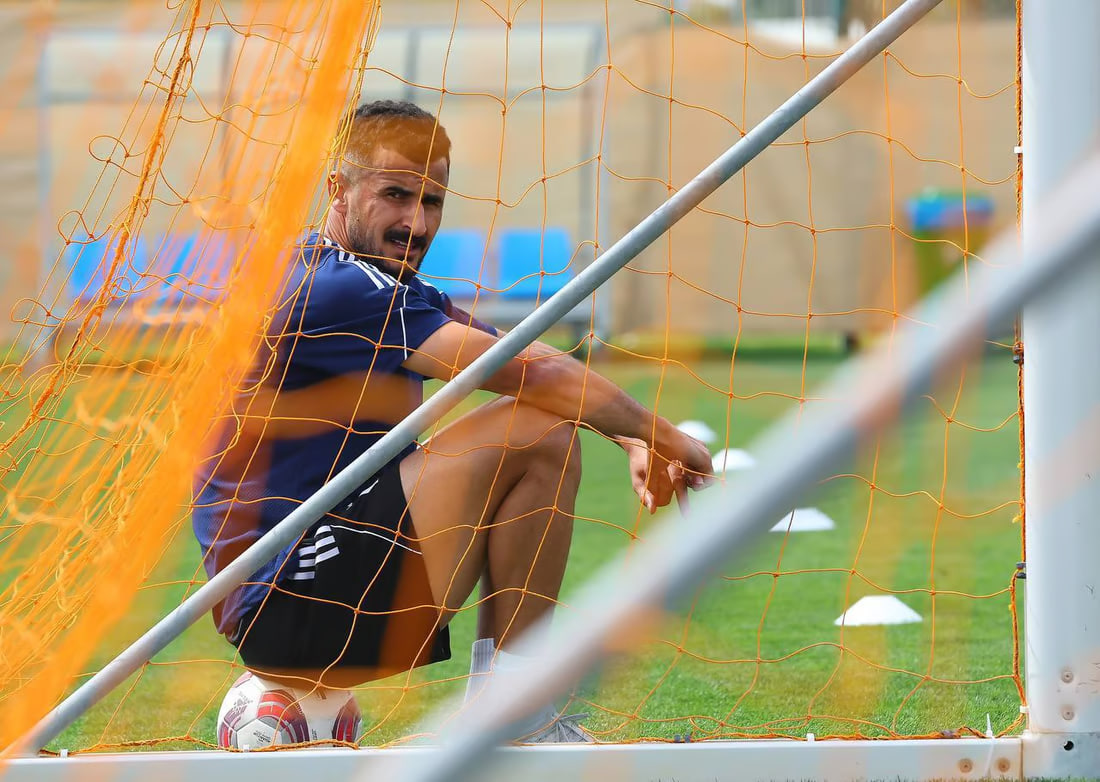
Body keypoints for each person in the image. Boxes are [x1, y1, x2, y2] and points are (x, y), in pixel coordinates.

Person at [192, 99, 714, 743]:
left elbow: (524, 351)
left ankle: (513, 709)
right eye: (394, 195)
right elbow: (528, 374)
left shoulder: (381, 284)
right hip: (297, 594)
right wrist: (668, 435)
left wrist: (631, 433)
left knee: (542, 421)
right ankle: (514, 714)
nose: (415, 221)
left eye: (432, 201)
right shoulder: (334, 288)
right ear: (339, 189)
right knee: (538, 428)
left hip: (320, 590)